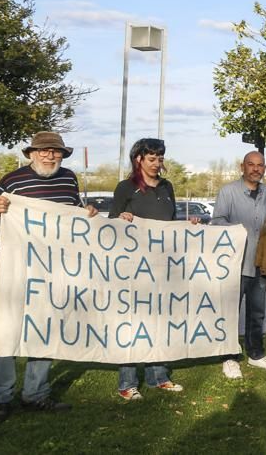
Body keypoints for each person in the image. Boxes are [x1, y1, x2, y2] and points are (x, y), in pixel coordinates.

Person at [0, 132, 96, 421]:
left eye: (55, 152)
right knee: (5, 331)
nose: (49, 156)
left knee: (44, 330)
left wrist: (87, 214)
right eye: (43, 151)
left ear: (62, 155)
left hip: (50, 271)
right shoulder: (11, 181)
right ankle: (0, 397)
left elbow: (71, 218)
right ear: (31, 154)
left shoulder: (69, 179)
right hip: (10, 269)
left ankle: (36, 394)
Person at [110, 138, 191, 400]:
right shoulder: (126, 188)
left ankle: (159, 376)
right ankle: (127, 382)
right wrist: (122, 219)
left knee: (159, 322)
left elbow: (171, 224)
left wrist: (189, 227)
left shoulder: (167, 187)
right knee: (133, 323)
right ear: (139, 160)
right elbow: (111, 224)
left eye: (160, 158)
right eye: (151, 159)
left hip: (163, 267)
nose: (157, 163)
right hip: (134, 268)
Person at [212, 150, 266, 378]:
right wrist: (236, 231)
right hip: (235, 265)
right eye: (251, 165)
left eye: (260, 165)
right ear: (242, 167)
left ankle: (256, 354)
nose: (256, 169)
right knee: (230, 312)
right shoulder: (228, 192)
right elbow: (217, 222)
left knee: (257, 312)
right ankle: (229, 357)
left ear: (264, 168)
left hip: (260, 261)